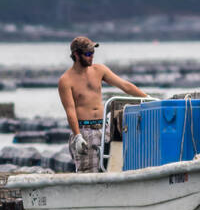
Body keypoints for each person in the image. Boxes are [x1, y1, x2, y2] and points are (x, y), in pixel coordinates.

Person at [57, 36, 149, 172]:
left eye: (93, 53)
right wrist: (77, 136)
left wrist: (148, 98)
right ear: (76, 55)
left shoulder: (99, 70)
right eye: (88, 54)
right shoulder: (66, 80)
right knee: (88, 173)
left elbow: (125, 86)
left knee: (112, 169)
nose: (91, 57)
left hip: (103, 128)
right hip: (84, 131)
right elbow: (70, 111)